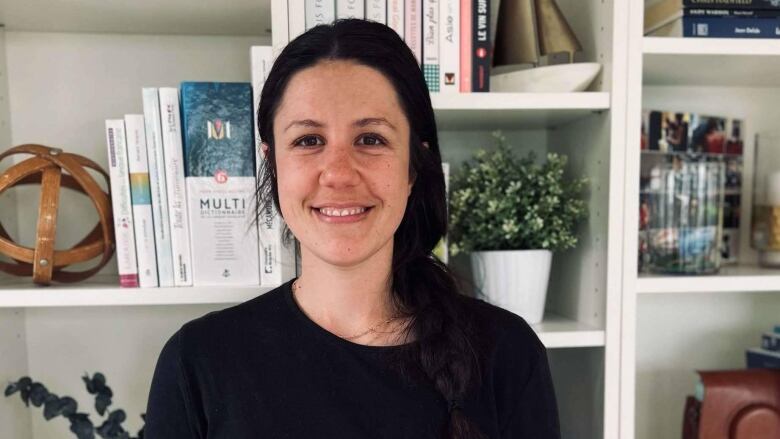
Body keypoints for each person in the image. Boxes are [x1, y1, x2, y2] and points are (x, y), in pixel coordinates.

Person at [145, 19, 560, 439]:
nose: (339, 174)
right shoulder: (197, 363)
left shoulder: (506, 353)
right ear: (273, 162)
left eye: (371, 139)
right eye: (308, 140)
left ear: (414, 166)